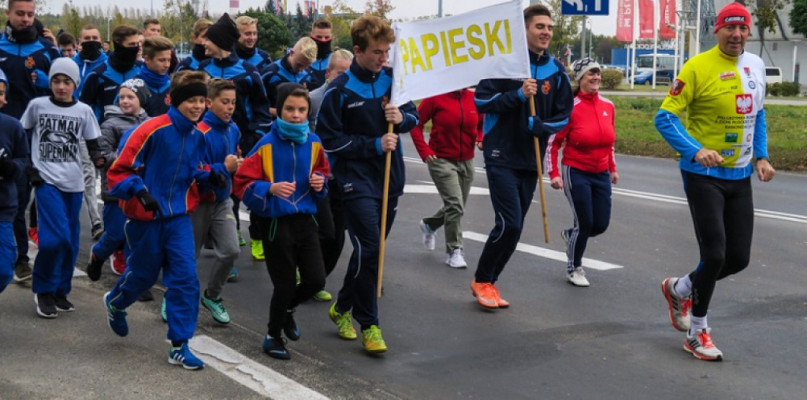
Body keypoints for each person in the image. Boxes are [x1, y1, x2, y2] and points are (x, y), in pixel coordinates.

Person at [655, 2, 775, 362]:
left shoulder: (756, 66)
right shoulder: (696, 67)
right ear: (716, 30)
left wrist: (762, 156)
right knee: (715, 254)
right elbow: (665, 118)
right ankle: (697, 331)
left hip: (740, 175)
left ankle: (680, 288)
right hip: (703, 175)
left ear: (748, 32)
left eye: (742, 29)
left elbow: (758, 114)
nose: (736, 35)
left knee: (737, 259)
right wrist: (696, 150)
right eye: (729, 28)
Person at [104, 70, 225, 370]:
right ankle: (116, 302)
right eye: (191, 100)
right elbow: (118, 172)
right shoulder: (149, 130)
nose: (197, 106)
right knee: (143, 277)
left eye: (201, 101)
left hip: (179, 219)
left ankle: (179, 345)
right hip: (145, 220)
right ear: (176, 100)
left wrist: (209, 177)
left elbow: (193, 171)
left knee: (186, 279)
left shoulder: (197, 136)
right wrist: (139, 191)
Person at [316, 15, 418, 354]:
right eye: (377, 52)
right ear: (358, 50)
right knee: (370, 249)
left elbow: (414, 116)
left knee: (371, 252)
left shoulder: (394, 80)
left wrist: (401, 118)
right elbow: (329, 141)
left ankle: (342, 306)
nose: (383, 58)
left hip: (390, 178)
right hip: (354, 182)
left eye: (387, 52)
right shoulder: (339, 90)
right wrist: (373, 144)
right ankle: (370, 324)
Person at [471, 4, 573, 309]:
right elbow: (481, 101)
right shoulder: (503, 64)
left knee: (515, 228)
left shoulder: (556, 70)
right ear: (524, 29)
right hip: (500, 154)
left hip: (531, 158)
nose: (546, 32)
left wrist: (542, 126)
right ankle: (482, 280)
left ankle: (490, 282)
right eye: (539, 26)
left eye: (549, 27)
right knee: (510, 223)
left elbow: (565, 114)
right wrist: (517, 95)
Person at [235, 82, 329, 360]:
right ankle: (272, 335)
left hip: (306, 220)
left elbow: (323, 174)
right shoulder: (265, 144)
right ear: (279, 110)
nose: (296, 115)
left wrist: (320, 181)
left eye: (302, 109)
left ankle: (287, 309)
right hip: (276, 223)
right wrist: (269, 188)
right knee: (284, 284)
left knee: (316, 280)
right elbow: (241, 183)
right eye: (290, 109)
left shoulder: (314, 142)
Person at [21, 58, 104, 318]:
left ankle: (60, 290)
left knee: (69, 241)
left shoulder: (84, 110)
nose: (60, 86)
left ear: (75, 84)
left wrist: (102, 161)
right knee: (54, 239)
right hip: (46, 181)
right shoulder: (37, 106)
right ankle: (43, 289)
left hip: (74, 183)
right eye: (56, 81)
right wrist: (30, 168)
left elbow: (94, 145)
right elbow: (23, 135)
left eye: (66, 82)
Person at [198, 13, 272, 261]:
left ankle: (256, 238)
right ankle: (227, 244)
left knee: (250, 191)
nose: (203, 43)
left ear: (219, 41)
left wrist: (255, 137)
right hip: (211, 142)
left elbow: (262, 109)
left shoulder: (248, 72)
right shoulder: (200, 70)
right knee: (221, 193)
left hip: (244, 142)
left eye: (208, 39)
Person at [0, 0, 61, 285]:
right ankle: (20, 258)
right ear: (8, 13)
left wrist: (49, 84)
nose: (26, 19)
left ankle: (41, 257)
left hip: (41, 135)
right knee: (14, 196)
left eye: (30, 14)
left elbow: (70, 91)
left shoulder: (47, 49)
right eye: (20, 13)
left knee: (36, 197)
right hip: (7, 134)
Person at [546, 58, 618, 287]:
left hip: (601, 172)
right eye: (591, 73)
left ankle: (571, 235)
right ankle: (574, 267)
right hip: (575, 171)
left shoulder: (608, 106)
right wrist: (553, 173)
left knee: (600, 224)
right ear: (580, 79)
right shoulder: (571, 107)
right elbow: (553, 142)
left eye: (598, 73)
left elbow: (609, 142)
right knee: (585, 223)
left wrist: (612, 168)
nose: (596, 77)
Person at [411, 88, 482, 269]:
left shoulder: (473, 98)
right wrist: (424, 151)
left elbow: (483, 122)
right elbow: (415, 124)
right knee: (455, 205)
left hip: (467, 160)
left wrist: (481, 137)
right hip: (440, 159)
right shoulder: (435, 98)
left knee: (456, 206)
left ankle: (429, 224)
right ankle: (454, 251)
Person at [86, 78, 150, 280]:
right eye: (121, 97)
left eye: (130, 97)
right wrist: (132, 158)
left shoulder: (150, 124)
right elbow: (103, 156)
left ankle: (133, 276)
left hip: (143, 189)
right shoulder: (110, 124)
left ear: (141, 99)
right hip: (117, 190)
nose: (125, 101)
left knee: (136, 235)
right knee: (116, 233)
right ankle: (98, 254)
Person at [192, 78, 242, 325]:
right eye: (225, 102)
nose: (230, 107)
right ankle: (174, 296)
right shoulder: (198, 133)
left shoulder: (233, 129)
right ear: (209, 103)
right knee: (188, 256)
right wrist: (224, 167)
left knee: (231, 250)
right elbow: (195, 172)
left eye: (233, 102)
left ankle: (212, 295)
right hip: (198, 203)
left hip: (222, 201)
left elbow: (235, 158)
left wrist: (239, 166)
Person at [306, 48, 352, 302]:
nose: (345, 78)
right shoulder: (313, 99)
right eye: (340, 73)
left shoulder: (352, 99)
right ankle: (308, 273)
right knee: (322, 229)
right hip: (317, 176)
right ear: (328, 73)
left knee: (337, 233)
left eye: (349, 73)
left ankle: (319, 277)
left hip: (343, 176)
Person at [0, 69, 28, 295]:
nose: (1, 98)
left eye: (2, 93)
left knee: (3, 269)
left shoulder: (12, 126)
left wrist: (12, 167)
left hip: (3, 208)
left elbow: (23, 159)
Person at [80, 25, 142, 122]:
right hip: (105, 129)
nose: (135, 48)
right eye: (131, 44)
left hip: (139, 129)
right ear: (118, 44)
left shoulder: (142, 71)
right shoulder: (98, 74)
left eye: (137, 44)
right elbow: (83, 108)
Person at [261, 36, 316, 118]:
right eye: (299, 64)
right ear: (291, 53)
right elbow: (256, 103)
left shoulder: (308, 75)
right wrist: (279, 112)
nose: (301, 70)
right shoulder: (271, 73)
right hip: (273, 122)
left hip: (299, 122)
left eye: (306, 66)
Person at [133, 36, 173, 116]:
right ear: (147, 59)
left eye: (169, 60)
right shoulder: (133, 88)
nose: (167, 65)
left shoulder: (173, 86)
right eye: (162, 60)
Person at [72, 24, 108, 97]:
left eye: (95, 38)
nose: (91, 40)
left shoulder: (108, 64)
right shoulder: (72, 64)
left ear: (100, 40)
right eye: (87, 38)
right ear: (80, 41)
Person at [307, 18, 333, 91]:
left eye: (327, 37)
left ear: (331, 37)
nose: (323, 40)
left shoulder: (335, 60)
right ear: (311, 36)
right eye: (319, 37)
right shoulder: (303, 60)